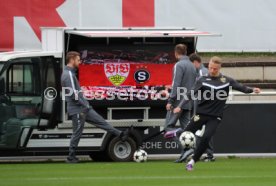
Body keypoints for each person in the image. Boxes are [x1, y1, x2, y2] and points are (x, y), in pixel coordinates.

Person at [164, 56, 261, 171]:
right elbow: (190, 94)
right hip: (201, 114)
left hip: (215, 117)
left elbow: (241, 87)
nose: (212, 70)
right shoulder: (202, 80)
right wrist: (179, 106)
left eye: (215, 69)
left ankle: (192, 162)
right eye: (210, 68)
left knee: (206, 138)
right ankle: (178, 132)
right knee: (186, 134)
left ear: (219, 68)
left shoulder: (226, 80)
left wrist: (252, 89)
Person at [61, 51, 129, 163]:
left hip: (83, 108)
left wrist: (86, 105)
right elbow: (73, 94)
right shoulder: (67, 74)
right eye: (78, 60)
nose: (80, 62)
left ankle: (121, 134)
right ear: (72, 60)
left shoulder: (69, 73)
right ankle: (71, 157)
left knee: (101, 122)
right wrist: (85, 105)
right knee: (77, 132)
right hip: (78, 109)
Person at [165, 44, 197, 163]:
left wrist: (170, 101)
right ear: (186, 52)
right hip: (189, 102)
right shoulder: (192, 66)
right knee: (186, 129)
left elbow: (176, 85)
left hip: (178, 103)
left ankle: (186, 148)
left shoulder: (179, 65)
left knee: (168, 128)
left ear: (176, 53)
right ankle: (187, 152)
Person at [189, 53, 215, 162]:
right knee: (203, 130)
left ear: (195, 62)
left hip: (202, 106)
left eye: (191, 64)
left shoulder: (201, 72)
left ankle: (208, 154)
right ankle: (207, 154)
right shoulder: (203, 72)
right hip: (205, 106)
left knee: (202, 130)